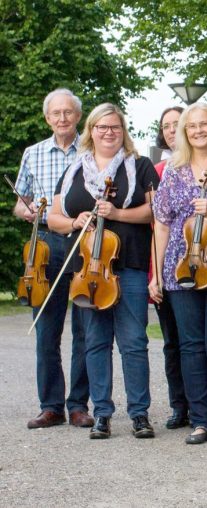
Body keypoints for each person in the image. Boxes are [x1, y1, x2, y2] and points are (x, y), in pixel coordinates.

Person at [48, 103, 159, 439]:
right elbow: (53, 218)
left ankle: (139, 413)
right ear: (91, 131)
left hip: (130, 267)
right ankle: (103, 413)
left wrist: (117, 213)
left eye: (115, 127)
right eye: (102, 127)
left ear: (123, 131)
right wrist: (74, 221)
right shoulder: (73, 171)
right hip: (87, 271)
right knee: (95, 342)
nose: (109, 132)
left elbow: (154, 212)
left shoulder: (139, 166)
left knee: (134, 342)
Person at [149, 103, 207, 445]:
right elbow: (161, 223)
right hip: (181, 266)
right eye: (193, 126)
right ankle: (201, 421)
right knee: (190, 346)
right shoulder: (174, 172)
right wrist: (157, 273)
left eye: (206, 124)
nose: (200, 130)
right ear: (185, 133)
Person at [14, 88, 92, 430]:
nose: (62, 118)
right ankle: (50, 406)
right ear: (48, 118)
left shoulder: (90, 152)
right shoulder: (33, 153)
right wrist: (27, 209)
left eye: (68, 113)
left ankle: (78, 405)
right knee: (46, 330)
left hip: (83, 243)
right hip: (44, 245)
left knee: (84, 330)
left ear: (77, 116)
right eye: (56, 113)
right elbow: (20, 202)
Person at [152, 105, 189, 430]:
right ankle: (180, 406)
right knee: (171, 341)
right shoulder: (158, 169)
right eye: (167, 126)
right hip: (165, 263)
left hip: (196, 263)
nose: (172, 130)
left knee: (196, 339)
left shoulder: (201, 166)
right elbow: (157, 224)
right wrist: (157, 271)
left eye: (178, 124)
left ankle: (201, 405)